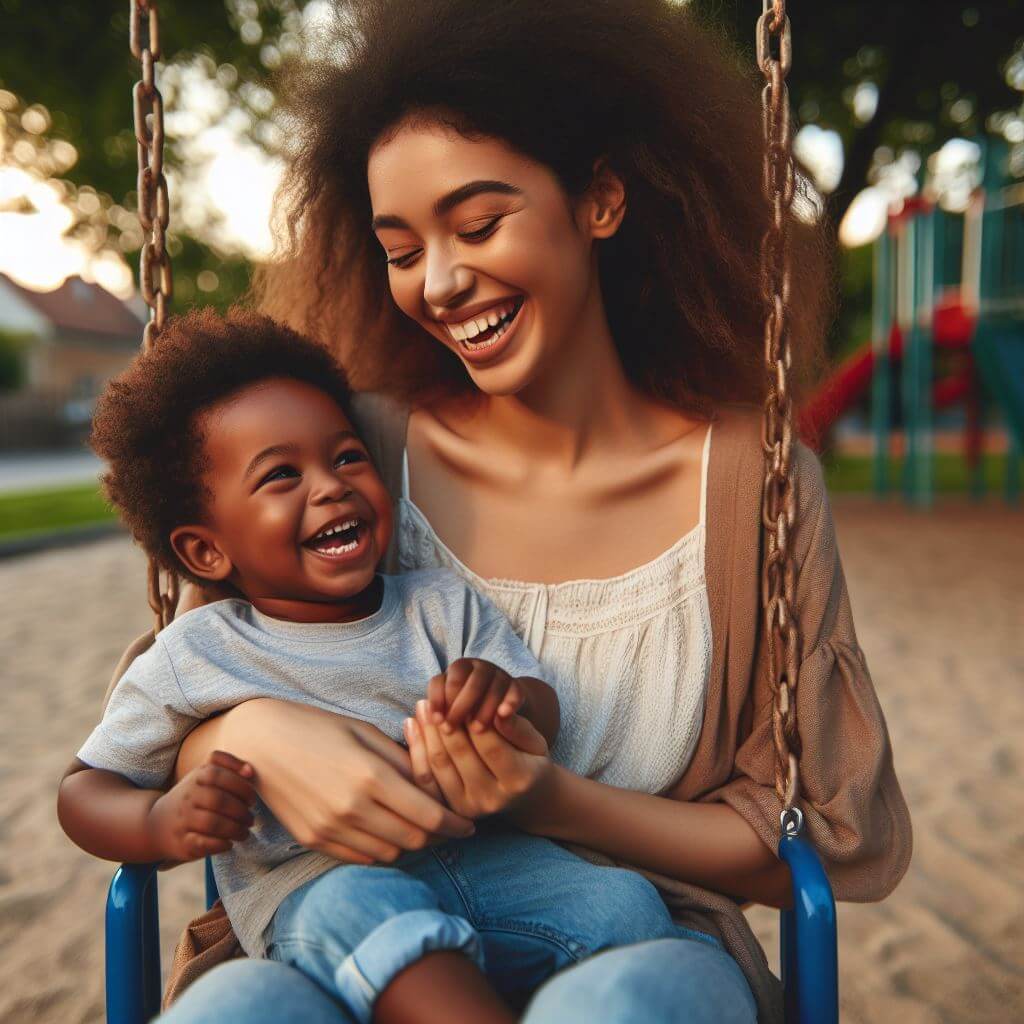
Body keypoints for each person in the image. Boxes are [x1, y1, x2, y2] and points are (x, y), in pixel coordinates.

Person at [132, 2, 911, 1022]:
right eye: (402, 248)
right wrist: (259, 729)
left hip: (641, 928)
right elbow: (157, 718)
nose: (442, 282)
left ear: (599, 199)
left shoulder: (752, 485)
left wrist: (547, 798)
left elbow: (808, 833)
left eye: (478, 222)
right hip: (349, 927)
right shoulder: (355, 457)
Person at [60, 310, 713, 1024]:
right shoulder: (198, 653)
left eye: (346, 457)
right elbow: (85, 788)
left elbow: (541, 708)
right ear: (208, 552)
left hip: (490, 864)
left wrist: (501, 698)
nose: (331, 486)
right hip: (323, 888)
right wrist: (156, 823)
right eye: (282, 475)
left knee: (621, 902)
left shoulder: (436, 604)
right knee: (363, 904)